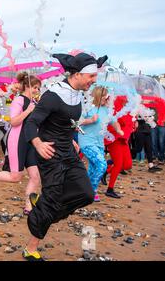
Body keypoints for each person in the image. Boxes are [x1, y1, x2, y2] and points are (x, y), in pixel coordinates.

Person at [22, 52, 107, 261]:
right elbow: (31, 123)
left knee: (86, 194)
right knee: (52, 199)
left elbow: (65, 120)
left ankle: (41, 209)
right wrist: (38, 143)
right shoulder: (53, 95)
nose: (94, 81)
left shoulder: (77, 93)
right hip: (49, 153)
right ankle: (30, 249)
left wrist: (71, 136)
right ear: (77, 74)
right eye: (91, 77)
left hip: (68, 151)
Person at [0, 73, 41, 214]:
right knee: (15, 177)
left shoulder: (34, 103)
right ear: (27, 86)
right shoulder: (18, 100)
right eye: (35, 87)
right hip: (17, 140)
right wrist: (28, 110)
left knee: (35, 176)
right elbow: (13, 122)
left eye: (38, 88)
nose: (37, 90)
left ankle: (29, 207)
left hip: (30, 141)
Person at [78, 86, 123, 202]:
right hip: (86, 142)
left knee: (93, 168)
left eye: (107, 96)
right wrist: (90, 120)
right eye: (104, 96)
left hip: (99, 143)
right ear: (98, 96)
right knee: (102, 165)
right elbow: (76, 123)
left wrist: (118, 129)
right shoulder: (87, 108)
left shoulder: (107, 110)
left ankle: (84, 189)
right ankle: (91, 190)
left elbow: (114, 122)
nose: (107, 98)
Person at [103, 96, 136, 198]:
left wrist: (133, 124)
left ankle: (105, 172)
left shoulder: (130, 109)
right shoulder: (115, 104)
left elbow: (129, 126)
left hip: (123, 139)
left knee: (127, 165)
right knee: (118, 164)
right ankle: (110, 189)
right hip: (114, 138)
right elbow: (114, 121)